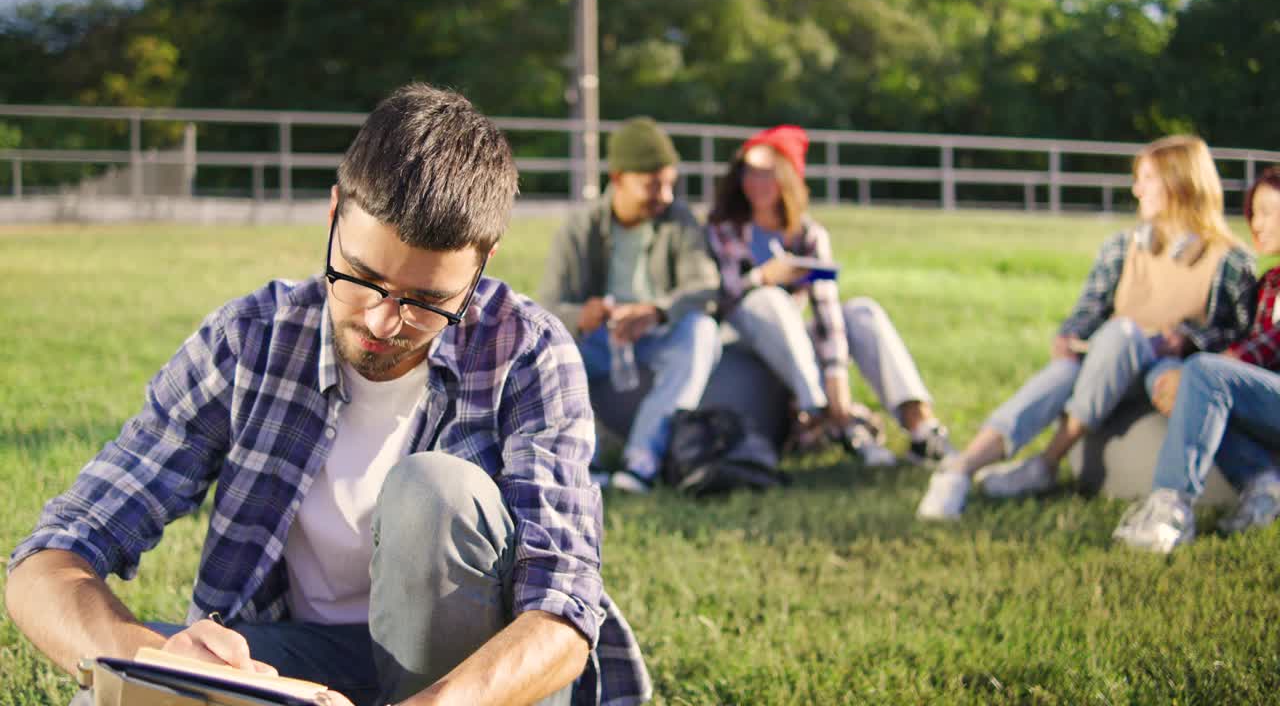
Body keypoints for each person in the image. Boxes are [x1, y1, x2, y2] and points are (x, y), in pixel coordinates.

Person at [5, 84, 650, 706]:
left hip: (476, 681)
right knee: (116, 692)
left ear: (482, 262)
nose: (381, 321)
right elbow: (51, 558)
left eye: (426, 302)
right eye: (361, 277)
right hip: (300, 661)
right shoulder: (250, 340)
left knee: (433, 492)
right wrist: (147, 659)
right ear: (335, 211)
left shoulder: (528, 352)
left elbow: (562, 607)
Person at [918, 134, 1257, 520]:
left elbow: (1241, 338)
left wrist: (1187, 341)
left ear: (1180, 183)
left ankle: (1045, 461)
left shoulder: (1230, 261)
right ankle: (960, 470)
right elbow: (1088, 312)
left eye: (1147, 179)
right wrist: (1068, 335)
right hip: (1109, 364)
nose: (1136, 189)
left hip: (1166, 375)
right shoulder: (1121, 248)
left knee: (1122, 335)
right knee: (1072, 365)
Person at [705, 125, 954, 467]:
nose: (756, 182)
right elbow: (718, 298)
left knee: (861, 311)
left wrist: (837, 377)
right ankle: (828, 416)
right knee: (771, 299)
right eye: (750, 171)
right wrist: (763, 277)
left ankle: (921, 427)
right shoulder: (723, 228)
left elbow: (826, 309)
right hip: (740, 340)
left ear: (787, 178)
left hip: (795, 347)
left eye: (768, 173)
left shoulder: (808, 235)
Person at [540, 116, 722, 494]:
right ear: (619, 178)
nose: (666, 195)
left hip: (657, 335)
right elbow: (548, 308)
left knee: (703, 330)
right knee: (549, 348)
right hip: (600, 340)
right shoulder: (581, 227)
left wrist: (656, 311)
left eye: (670, 183)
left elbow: (705, 284)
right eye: (654, 185)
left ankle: (642, 460)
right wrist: (581, 316)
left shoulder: (678, 219)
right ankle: (582, 463)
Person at [1113, 167, 1280, 552]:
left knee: (1204, 374)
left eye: (1269, 211)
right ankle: (1264, 485)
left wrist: (1210, 368)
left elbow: (1267, 345)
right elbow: (1239, 337)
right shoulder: (1270, 283)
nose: (1257, 222)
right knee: (1181, 375)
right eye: (1254, 212)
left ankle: (1170, 509)